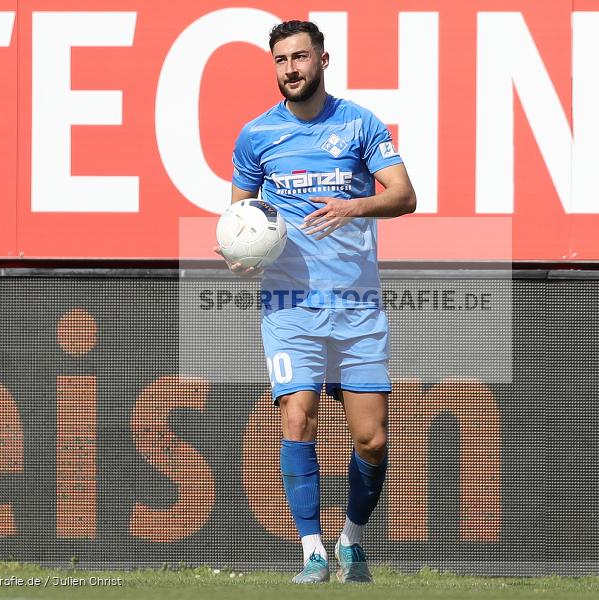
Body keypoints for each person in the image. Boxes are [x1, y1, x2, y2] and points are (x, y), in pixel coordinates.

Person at [215, 20, 416, 583]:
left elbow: (405, 196)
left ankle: (351, 540)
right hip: (290, 307)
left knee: (371, 439)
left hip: (356, 307)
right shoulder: (257, 136)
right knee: (297, 418)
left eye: (300, 58)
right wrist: (239, 254)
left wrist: (352, 206)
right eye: (280, 61)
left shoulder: (359, 125)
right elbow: (240, 218)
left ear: (323, 60)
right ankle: (312, 551)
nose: (290, 70)